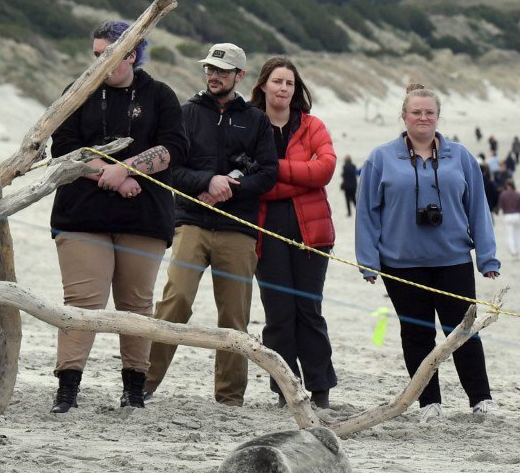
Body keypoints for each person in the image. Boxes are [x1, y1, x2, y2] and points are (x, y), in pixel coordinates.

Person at [46, 21, 186, 413]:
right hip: (81, 215)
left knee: (136, 304)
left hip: (144, 217)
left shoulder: (160, 95)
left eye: (107, 54)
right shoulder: (77, 92)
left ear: (130, 54)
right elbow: (65, 147)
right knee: (81, 302)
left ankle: (134, 389)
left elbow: (174, 146)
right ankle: (67, 389)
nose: (99, 63)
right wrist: (111, 177)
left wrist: (130, 170)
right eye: (95, 55)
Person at [356, 83, 500, 421]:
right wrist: (368, 262)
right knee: (417, 334)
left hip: (453, 260)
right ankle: (428, 402)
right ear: (404, 116)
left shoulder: (461, 156)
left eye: (429, 112)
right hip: (400, 264)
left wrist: (488, 257)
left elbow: (478, 207)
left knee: (462, 332)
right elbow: (367, 213)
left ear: (437, 117)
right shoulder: (380, 158)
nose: (423, 117)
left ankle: (481, 399)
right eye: (416, 112)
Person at [147, 42, 278, 407]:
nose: (213, 75)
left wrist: (228, 189)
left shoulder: (256, 119)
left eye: (221, 70)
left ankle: (230, 398)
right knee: (175, 302)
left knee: (235, 316)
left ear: (240, 76)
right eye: (209, 69)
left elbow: (268, 173)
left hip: (238, 228)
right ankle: (142, 384)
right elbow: (171, 168)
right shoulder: (186, 113)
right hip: (192, 223)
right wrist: (207, 182)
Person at [250, 57, 338, 409]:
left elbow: (326, 169)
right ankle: (284, 388)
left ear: (295, 88)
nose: (283, 88)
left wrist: (275, 170)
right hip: (265, 227)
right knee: (278, 313)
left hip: (312, 231)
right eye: (277, 81)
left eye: (289, 82)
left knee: (308, 310)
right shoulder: (251, 124)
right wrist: (299, 178)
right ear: (263, 86)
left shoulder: (312, 125)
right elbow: (255, 184)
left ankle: (320, 388)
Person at [496, 178, 520, 258]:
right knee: (517, 234)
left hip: (508, 216)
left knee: (509, 235)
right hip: (517, 216)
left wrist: (497, 211)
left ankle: (512, 251)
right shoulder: (518, 194)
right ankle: (517, 250)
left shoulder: (503, 194)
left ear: (507, 185)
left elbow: (500, 205)